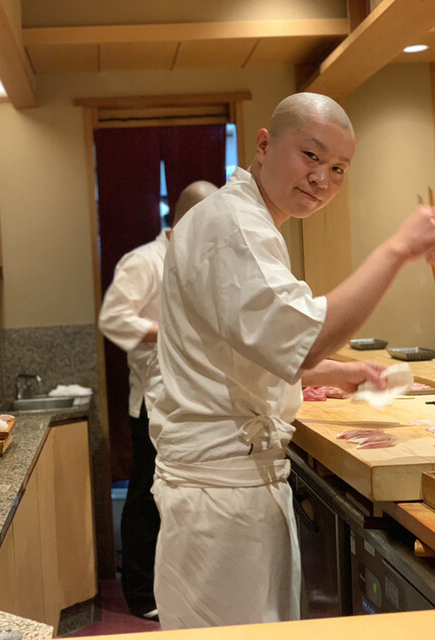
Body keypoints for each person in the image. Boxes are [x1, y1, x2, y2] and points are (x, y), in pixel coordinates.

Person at [149, 92, 435, 630]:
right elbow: (303, 338)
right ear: (264, 144)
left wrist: (336, 372)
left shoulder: (247, 220)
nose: (322, 178)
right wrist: (397, 249)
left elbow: (240, 347)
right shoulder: (235, 225)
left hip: (226, 486)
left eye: (338, 169)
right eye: (311, 156)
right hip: (222, 495)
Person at [98, 180, 218, 620]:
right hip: (154, 396)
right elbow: (113, 319)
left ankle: (179, 585)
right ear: (185, 218)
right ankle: (140, 592)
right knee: (146, 494)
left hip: (194, 396)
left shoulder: (202, 260)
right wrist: (169, 332)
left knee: (181, 493)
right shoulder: (145, 261)